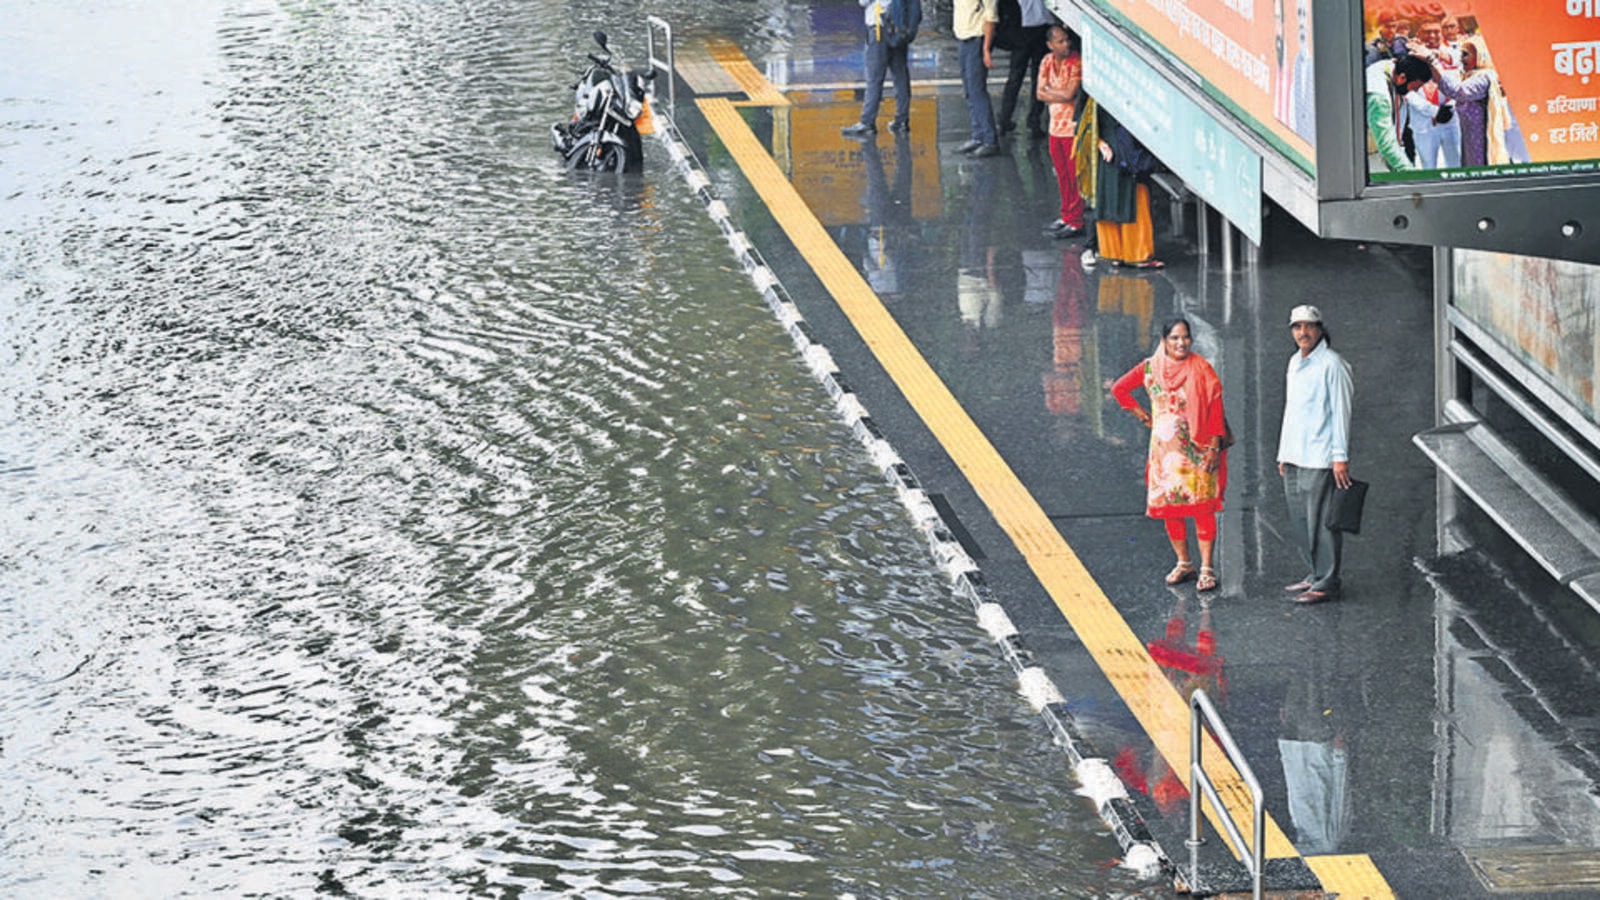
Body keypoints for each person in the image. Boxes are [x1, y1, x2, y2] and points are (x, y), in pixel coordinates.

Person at [1112, 318, 1229, 592]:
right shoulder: (1150, 368)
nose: (1181, 343)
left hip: (1198, 451)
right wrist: (1142, 414)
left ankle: (1207, 568)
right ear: (1164, 341)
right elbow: (1119, 389)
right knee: (1170, 508)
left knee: (1203, 508)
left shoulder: (1201, 368)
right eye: (1175, 338)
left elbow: (1215, 410)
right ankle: (1184, 562)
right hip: (1165, 454)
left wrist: (1213, 447)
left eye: (1185, 337)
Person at [1276, 305, 1353, 605]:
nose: (1303, 333)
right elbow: (1291, 410)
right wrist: (1283, 452)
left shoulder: (1333, 365)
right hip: (1295, 453)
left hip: (1320, 455)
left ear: (1320, 329)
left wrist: (1340, 456)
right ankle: (1313, 572)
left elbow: (1341, 412)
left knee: (1321, 522)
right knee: (1300, 519)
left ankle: (1327, 580)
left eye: (1309, 326)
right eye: (1297, 327)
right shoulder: (1295, 362)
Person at [1092, 110, 1163, 268]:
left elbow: (1083, 125)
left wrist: (1099, 143)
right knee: (1131, 201)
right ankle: (1134, 253)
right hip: (1121, 150)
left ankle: (1115, 253)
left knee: (1116, 199)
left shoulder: (1096, 91)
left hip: (1115, 150)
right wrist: (1100, 143)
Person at [1432, 33, 1512, 168]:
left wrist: (1432, 61)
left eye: (1466, 55)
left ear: (1480, 56)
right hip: (1470, 139)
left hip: (1480, 141)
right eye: (1461, 54)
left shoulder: (1484, 78)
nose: (1462, 59)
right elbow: (1447, 80)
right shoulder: (1469, 75)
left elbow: (1457, 91)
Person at [1036, 25, 1084, 239]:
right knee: (1062, 176)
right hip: (1055, 127)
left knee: (1074, 177)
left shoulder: (1076, 62)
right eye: (1060, 41)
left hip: (1071, 129)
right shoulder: (1047, 61)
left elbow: (1069, 94)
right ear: (1050, 45)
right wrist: (1058, 94)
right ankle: (1066, 215)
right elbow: (1039, 93)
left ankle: (1076, 219)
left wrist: (1050, 92)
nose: (1066, 45)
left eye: (1066, 40)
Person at [842, 0, 913, 137]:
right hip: (898, 27)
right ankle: (902, 120)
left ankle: (867, 122)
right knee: (900, 75)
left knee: (874, 78)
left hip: (879, 28)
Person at [1401, 18, 1461, 169]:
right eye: (1427, 32)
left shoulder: (1451, 55)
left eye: (1436, 32)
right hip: (1424, 123)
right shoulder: (1408, 56)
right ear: (1419, 33)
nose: (1432, 36)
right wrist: (1433, 111)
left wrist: (1449, 107)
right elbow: (1407, 92)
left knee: (1456, 164)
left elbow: (1458, 85)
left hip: (1450, 120)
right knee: (1428, 167)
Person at [1363, 54, 1432, 173]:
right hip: (1367, 156)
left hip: (1376, 150)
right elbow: (1386, 143)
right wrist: (1410, 174)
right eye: (1415, 86)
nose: (1415, 90)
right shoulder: (1379, 97)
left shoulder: (1392, 68)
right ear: (1402, 78)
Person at [995, 0, 1051, 137]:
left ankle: (1005, 118)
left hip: (1020, 28)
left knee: (1015, 78)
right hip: (1041, 28)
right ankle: (1034, 121)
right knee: (1038, 78)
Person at [953, 0, 1001, 158]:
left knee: (976, 90)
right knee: (969, 91)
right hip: (963, 39)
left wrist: (986, 49)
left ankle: (989, 139)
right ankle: (978, 135)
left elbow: (991, 18)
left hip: (977, 40)